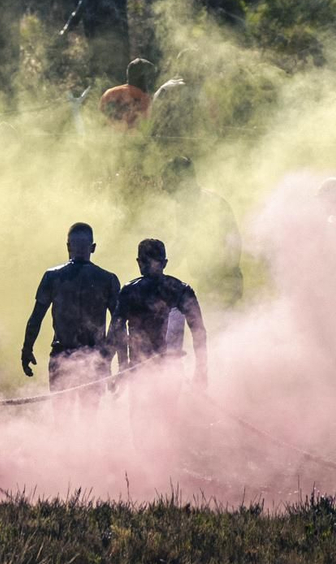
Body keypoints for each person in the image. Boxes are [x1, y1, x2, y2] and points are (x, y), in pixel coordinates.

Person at [21, 223, 121, 405]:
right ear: (93, 248)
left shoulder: (53, 277)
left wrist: (27, 350)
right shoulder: (108, 279)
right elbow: (119, 326)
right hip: (94, 358)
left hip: (62, 356)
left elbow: (36, 318)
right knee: (89, 417)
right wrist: (110, 360)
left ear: (68, 246)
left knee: (61, 418)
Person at [111, 238, 208, 388]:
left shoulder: (130, 291)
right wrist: (201, 368)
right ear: (165, 263)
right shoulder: (180, 290)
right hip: (165, 369)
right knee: (167, 410)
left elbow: (117, 330)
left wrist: (123, 366)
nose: (150, 265)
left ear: (139, 262)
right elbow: (199, 331)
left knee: (145, 410)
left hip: (145, 369)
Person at [162, 156, 242, 309]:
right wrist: (158, 268)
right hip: (208, 283)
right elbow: (182, 242)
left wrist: (225, 277)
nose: (164, 188)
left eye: (168, 182)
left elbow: (233, 242)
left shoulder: (212, 203)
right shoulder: (183, 208)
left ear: (181, 180)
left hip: (223, 284)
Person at [99, 58, 155, 130]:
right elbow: (145, 124)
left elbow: (100, 118)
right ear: (144, 79)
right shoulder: (144, 99)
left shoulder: (110, 93)